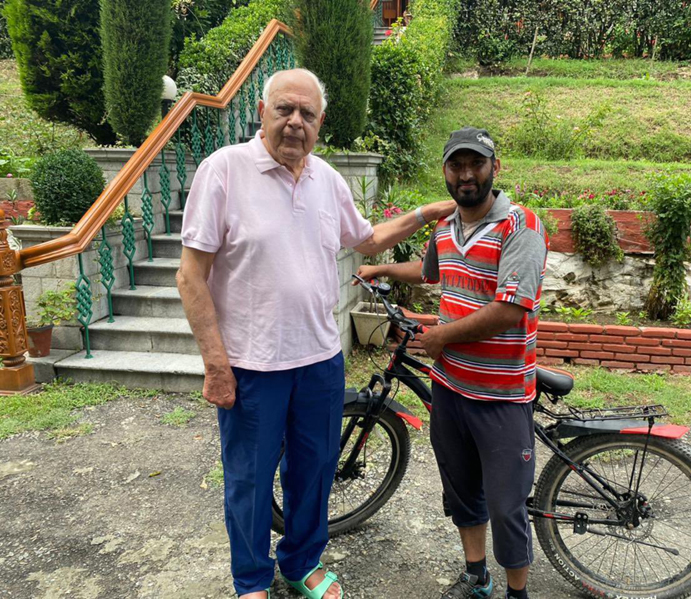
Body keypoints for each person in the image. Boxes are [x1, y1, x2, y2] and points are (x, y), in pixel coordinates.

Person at [176, 68, 455, 599]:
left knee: (315, 469)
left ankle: (302, 562)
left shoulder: (326, 179)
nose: (295, 122)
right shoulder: (224, 171)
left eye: (307, 113)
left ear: (320, 123)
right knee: (250, 479)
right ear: (262, 113)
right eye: (285, 109)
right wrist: (216, 364)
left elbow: (367, 239)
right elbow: (191, 276)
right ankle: (251, 581)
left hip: (320, 360)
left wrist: (425, 213)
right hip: (253, 364)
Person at [356, 127, 549, 599]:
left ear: (494, 168)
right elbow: (429, 272)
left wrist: (440, 336)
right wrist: (380, 269)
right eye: (456, 165)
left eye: (476, 164)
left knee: (506, 506)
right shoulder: (446, 228)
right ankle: (476, 575)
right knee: (462, 492)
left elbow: (510, 309)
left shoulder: (520, 226)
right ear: (444, 171)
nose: (466, 174)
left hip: (500, 395)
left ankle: (517, 593)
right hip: (450, 388)